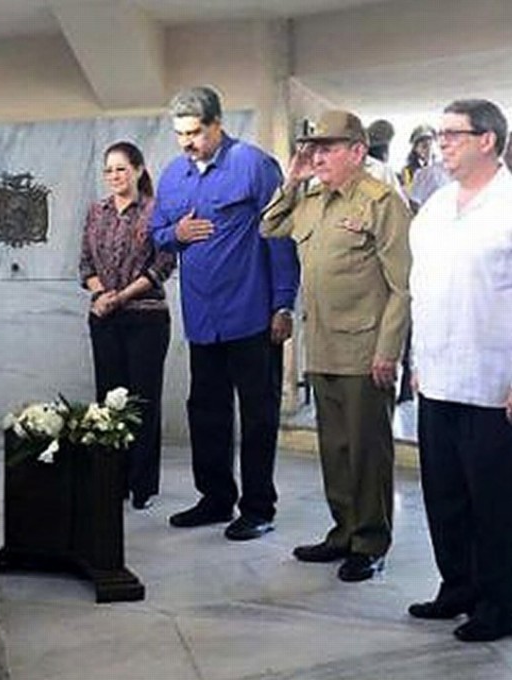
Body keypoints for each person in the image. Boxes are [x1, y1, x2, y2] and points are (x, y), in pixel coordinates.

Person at [261, 110, 411, 582]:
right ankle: (342, 530)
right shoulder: (309, 197)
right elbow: (269, 226)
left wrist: (389, 351)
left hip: (366, 349)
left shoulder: (381, 201)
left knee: (368, 451)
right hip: (323, 345)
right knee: (336, 447)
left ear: (357, 152)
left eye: (326, 148)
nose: (316, 155)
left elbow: (403, 286)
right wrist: (291, 179)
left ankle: (370, 541)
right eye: (312, 147)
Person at [150, 86, 299, 541]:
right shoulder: (173, 175)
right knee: (206, 411)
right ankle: (215, 498)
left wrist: (283, 302)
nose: (187, 142)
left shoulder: (254, 165)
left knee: (257, 413)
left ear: (217, 124)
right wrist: (174, 231)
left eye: (195, 132)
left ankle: (258, 507)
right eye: (180, 134)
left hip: (252, 315)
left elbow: (281, 235)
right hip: (202, 317)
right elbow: (156, 234)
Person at [407, 99, 512, 643]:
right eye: (439, 133)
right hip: (439, 376)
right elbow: (422, 288)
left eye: (453, 134)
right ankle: (458, 588)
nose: (441, 142)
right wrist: (421, 361)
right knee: (443, 494)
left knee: (494, 501)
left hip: (495, 383)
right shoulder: (436, 206)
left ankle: (500, 602)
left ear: (488, 139)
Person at [80, 141, 176, 510]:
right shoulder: (96, 211)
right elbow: (85, 262)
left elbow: (162, 265)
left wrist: (123, 297)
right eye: (108, 170)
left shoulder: (157, 210)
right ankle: (111, 480)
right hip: (104, 316)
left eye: (121, 169)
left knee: (142, 401)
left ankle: (142, 485)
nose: (114, 176)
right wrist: (103, 295)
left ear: (137, 169)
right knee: (108, 400)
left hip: (146, 318)